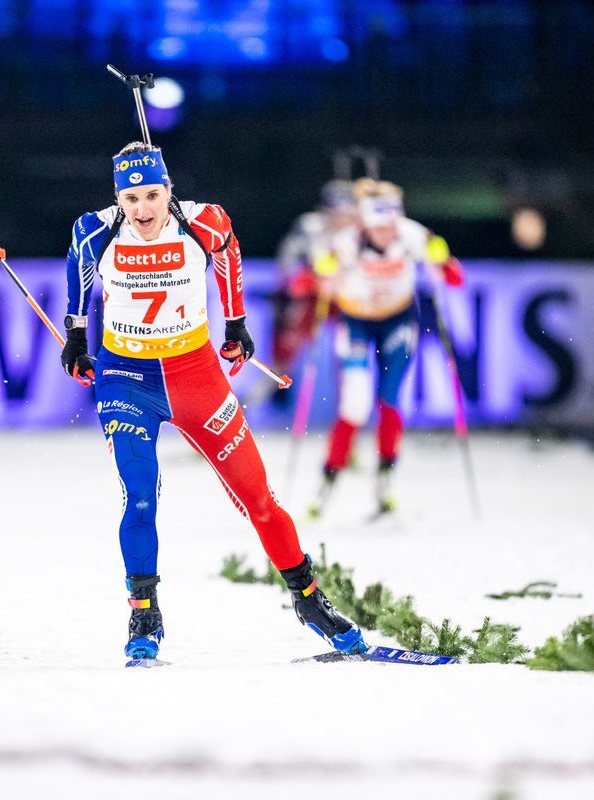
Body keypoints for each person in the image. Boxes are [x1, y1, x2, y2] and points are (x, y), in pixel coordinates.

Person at [60, 141, 366, 661]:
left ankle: (310, 601)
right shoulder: (94, 230)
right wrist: (76, 336)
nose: (143, 210)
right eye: (130, 198)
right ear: (117, 197)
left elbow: (229, 254)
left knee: (259, 499)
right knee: (139, 496)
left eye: (153, 195)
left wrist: (237, 322)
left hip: (197, 378)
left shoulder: (205, 222)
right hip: (128, 380)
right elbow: (76, 272)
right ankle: (144, 613)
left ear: (169, 190)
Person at [310, 178, 463, 518]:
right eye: (379, 229)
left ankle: (385, 483)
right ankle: (326, 485)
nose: (387, 235)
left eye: (391, 227)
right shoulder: (346, 242)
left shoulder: (413, 235)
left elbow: (455, 278)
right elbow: (315, 279)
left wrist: (443, 260)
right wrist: (324, 271)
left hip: (398, 322)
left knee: (390, 400)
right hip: (357, 323)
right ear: (365, 223)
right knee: (354, 406)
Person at [269, 179, 359, 390]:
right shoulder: (310, 226)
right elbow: (287, 260)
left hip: (345, 299)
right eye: (337, 213)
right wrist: (299, 281)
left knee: (346, 353)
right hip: (311, 298)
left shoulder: (358, 231)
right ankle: (252, 401)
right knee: (285, 353)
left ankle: (349, 410)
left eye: (348, 214)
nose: (342, 219)